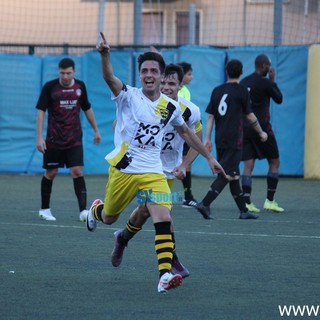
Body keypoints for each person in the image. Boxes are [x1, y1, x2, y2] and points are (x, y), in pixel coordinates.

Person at [87, 33, 225, 293]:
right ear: (140, 75)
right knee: (109, 217)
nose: (148, 74)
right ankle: (95, 210)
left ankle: (164, 274)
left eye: (153, 71)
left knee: (162, 215)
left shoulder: (171, 107)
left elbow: (186, 132)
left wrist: (208, 157)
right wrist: (105, 55)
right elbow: (109, 78)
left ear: (162, 76)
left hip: (153, 170)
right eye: (144, 70)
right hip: (124, 169)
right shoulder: (128, 95)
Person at [110, 63, 203, 279]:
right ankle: (172, 259)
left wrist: (184, 165)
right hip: (142, 166)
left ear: (181, 85)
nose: (168, 87)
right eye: (166, 82)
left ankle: (123, 238)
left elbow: (196, 138)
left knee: (146, 211)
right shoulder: (147, 103)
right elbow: (119, 123)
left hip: (167, 170)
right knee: (160, 213)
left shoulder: (189, 111)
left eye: (173, 83)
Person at [196, 59, 268, 220]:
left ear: (227, 71)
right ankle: (205, 203)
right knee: (227, 174)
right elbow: (250, 116)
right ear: (241, 72)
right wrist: (261, 132)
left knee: (233, 174)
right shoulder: (242, 90)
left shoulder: (217, 90)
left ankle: (243, 211)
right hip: (235, 139)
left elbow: (210, 117)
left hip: (220, 137)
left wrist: (207, 138)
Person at [36, 58, 101, 222]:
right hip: (53, 140)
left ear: (74, 72)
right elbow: (41, 111)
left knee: (77, 171)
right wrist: (39, 137)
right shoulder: (50, 87)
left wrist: (96, 130)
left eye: (68, 73)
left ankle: (83, 211)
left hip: (74, 139)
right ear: (59, 72)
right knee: (51, 172)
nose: (65, 76)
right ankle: (44, 209)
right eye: (62, 73)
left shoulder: (80, 87)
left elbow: (87, 108)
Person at [240, 54, 284, 213]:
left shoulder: (244, 82)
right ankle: (270, 201)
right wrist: (273, 81)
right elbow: (279, 98)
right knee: (274, 161)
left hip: (245, 128)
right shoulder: (265, 83)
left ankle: (246, 202)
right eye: (269, 65)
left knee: (248, 165)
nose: (270, 69)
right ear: (264, 65)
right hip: (263, 128)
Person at [178, 62, 198, 208]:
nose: (191, 77)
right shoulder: (178, 90)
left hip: (183, 132)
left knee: (187, 163)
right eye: (189, 74)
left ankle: (187, 196)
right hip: (176, 133)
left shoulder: (186, 91)